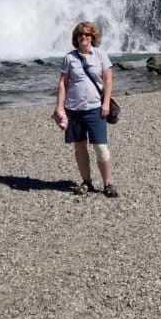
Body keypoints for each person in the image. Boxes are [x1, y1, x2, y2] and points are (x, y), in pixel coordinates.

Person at [53, 20, 118, 197]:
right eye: (81, 34)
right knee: (79, 147)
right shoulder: (69, 58)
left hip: (95, 108)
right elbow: (62, 83)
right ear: (76, 37)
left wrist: (105, 103)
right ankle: (87, 182)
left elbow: (108, 80)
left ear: (93, 37)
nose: (84, 37)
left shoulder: (101, 55)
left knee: (100, 146)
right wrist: (59, 106)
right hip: (73, 109)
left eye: (88, 34)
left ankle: (108, 183)